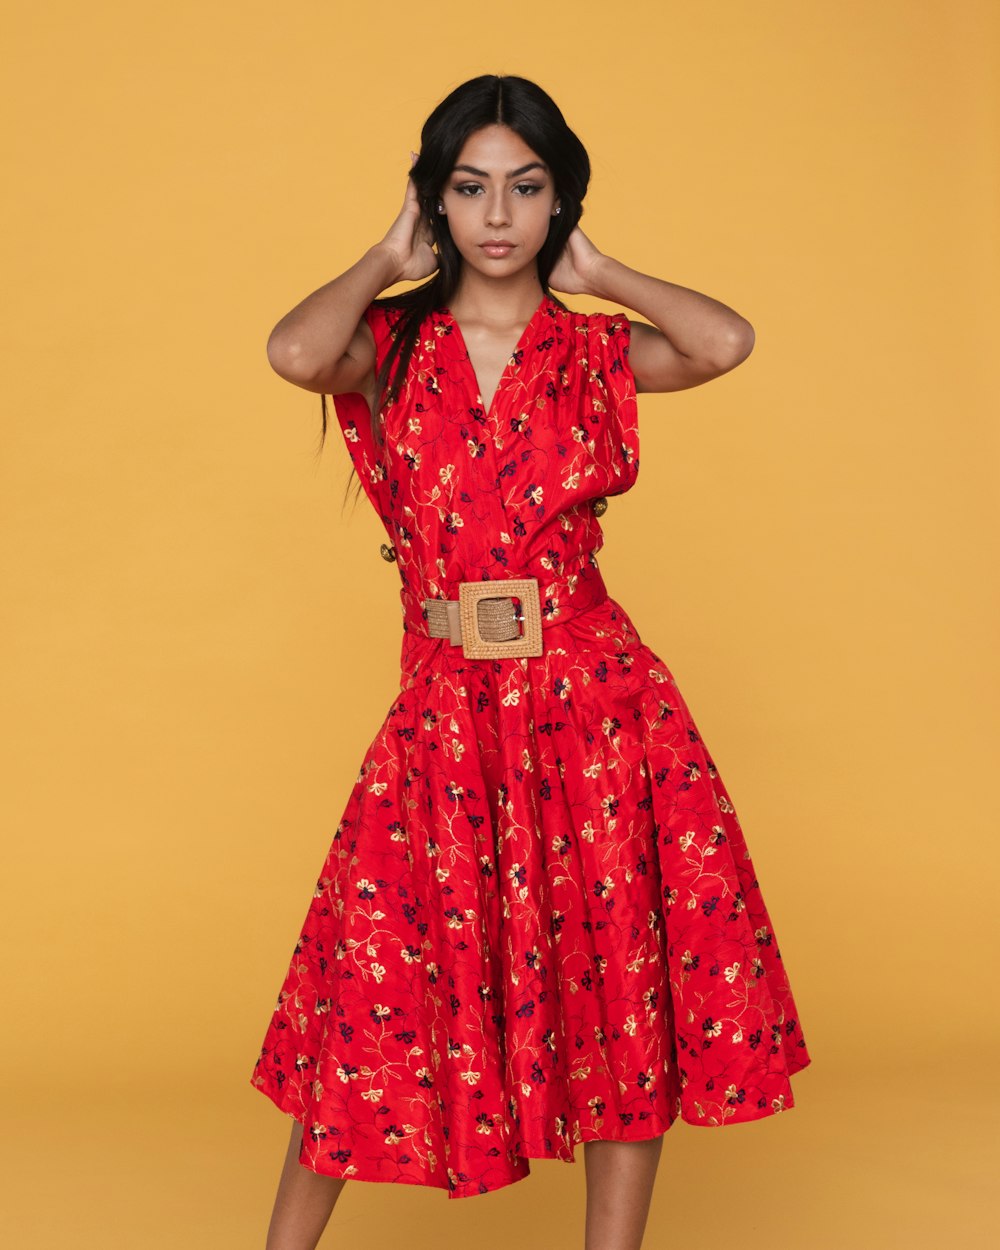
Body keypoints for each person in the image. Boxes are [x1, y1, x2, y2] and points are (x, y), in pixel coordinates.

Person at [252, 73, 811, 1250]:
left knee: (620, 987)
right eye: (467, 188)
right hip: (445, 713)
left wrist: (601, 273)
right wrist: (381, 250)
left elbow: (725, 340)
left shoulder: (595, 351)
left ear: (558, 203)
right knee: (372, 981)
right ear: (434, 203)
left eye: (524, 187)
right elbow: (294, 348)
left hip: (599, 704)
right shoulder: (391, 345)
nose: (496, 214)